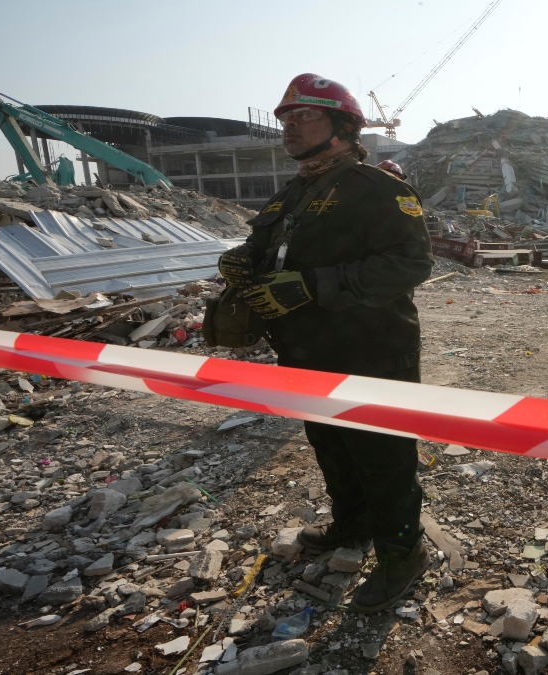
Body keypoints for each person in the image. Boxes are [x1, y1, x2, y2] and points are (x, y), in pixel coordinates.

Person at [217, 73, 432, 613]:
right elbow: (271, 248)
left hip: (374, 352)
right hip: (307, 353)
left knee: (383, 456)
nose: (289, 128)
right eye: (284, 119)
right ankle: (352, 525)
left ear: (342, 125)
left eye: (304, 117)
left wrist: (314, 285)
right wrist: (243, 259)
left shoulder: (380, 190)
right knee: (330, 444)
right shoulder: (294, 192)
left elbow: (410, 263)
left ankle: (403, 554)